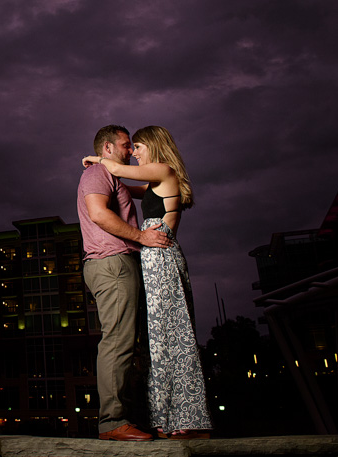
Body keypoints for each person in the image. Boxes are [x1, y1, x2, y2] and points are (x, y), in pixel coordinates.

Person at [83, 125, 212, 439]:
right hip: (145, 258)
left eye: (137, 146)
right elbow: (117, 189)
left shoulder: (163, 171)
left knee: (170, 334)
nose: (133, 152)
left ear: (154, 147)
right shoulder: (147, 179)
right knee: (155, 340)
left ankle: (185, 420)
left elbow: (116, 170)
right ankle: (160, 418)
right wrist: (100, 162)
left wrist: (97, 159)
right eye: (129, 146)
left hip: (159, 257)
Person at [77, 124, 171, 441]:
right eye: (125, 145)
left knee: (129, 344)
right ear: (108, 148)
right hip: (112, 262)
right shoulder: (96, 176)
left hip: (120, 263)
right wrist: (141, 236)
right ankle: (112, 422)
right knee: (118, 341)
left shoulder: (111, 174)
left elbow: (152, 189)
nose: (130, 151)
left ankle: (127, 417)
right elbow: (98, 214)